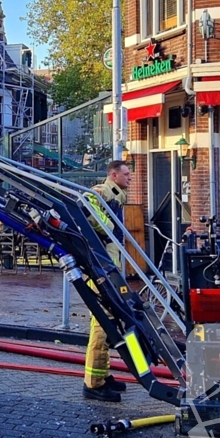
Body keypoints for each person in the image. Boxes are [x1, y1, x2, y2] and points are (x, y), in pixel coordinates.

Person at [82, 160, 133, 403]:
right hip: (100, 271)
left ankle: (102, 376)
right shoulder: (101, 193)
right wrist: (108, 227)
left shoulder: (117, 198)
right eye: (126, 173)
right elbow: (85, 207)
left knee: (109, 323)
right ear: (113, 175)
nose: (130, 177)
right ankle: (93, 384)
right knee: (101, 325)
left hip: (108, 269)